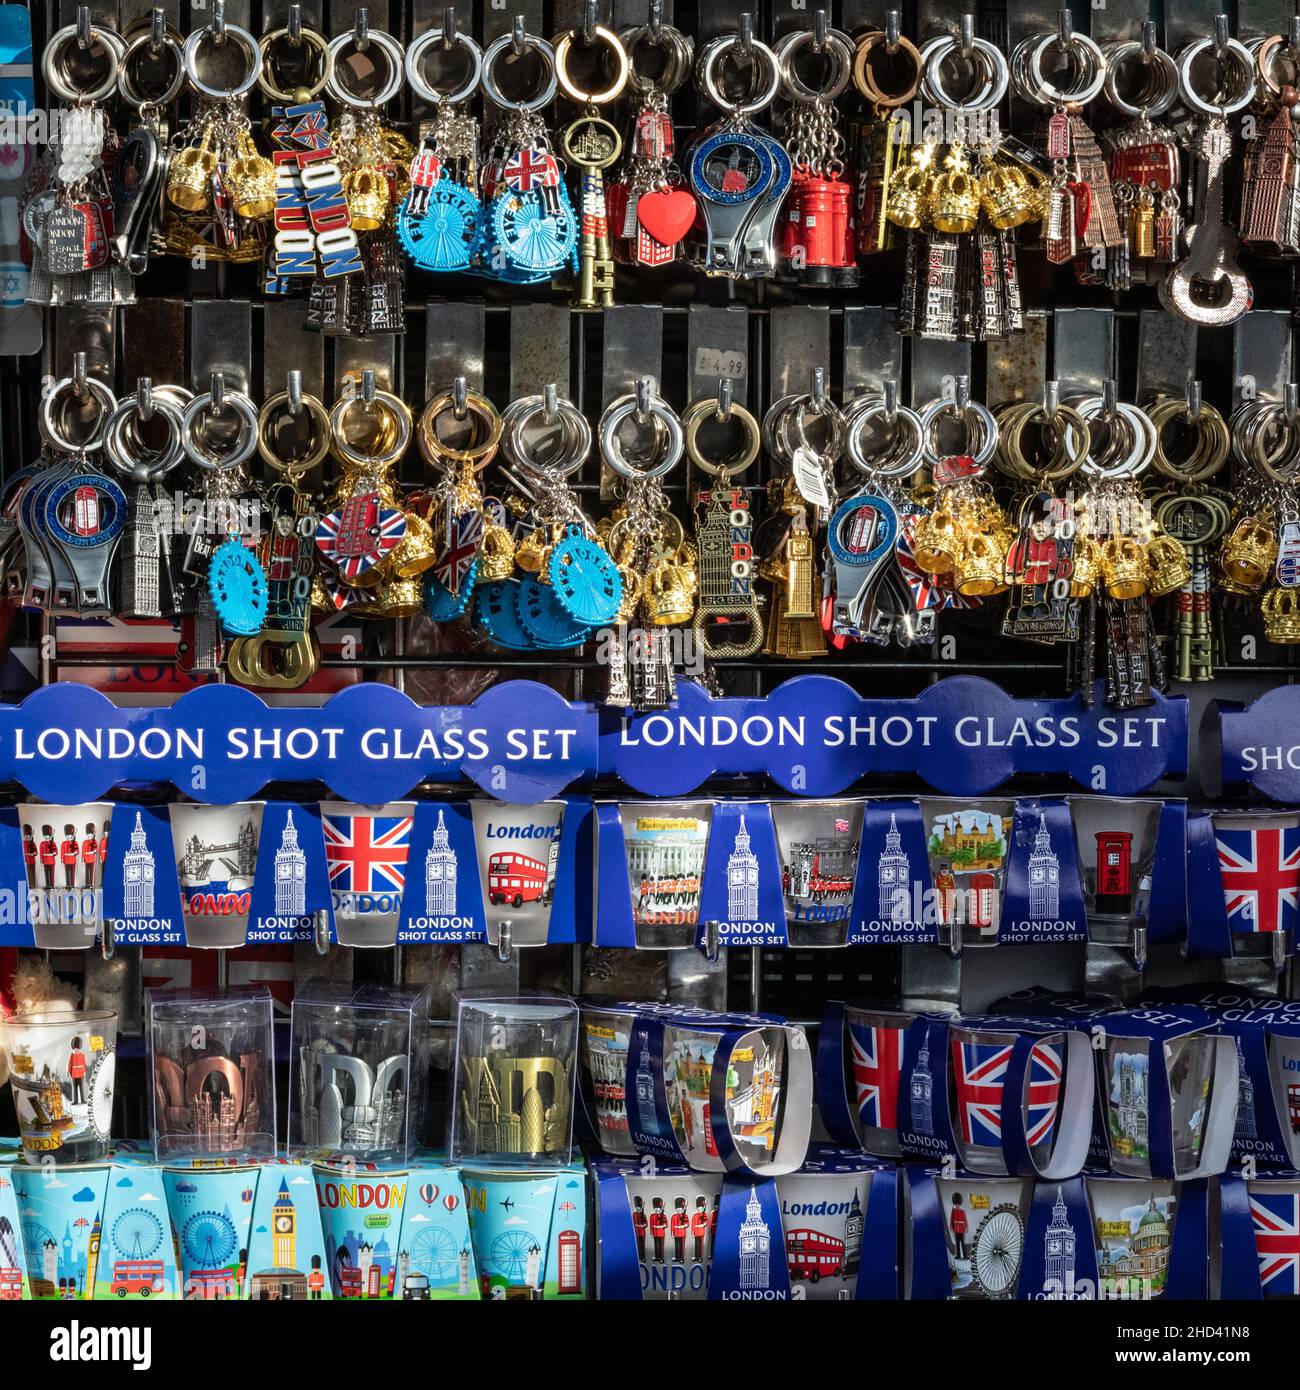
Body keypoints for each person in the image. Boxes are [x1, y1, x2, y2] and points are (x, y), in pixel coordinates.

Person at [66, 1037, 87, 1105]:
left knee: (81, 1087)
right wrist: (68, 1071)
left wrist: (85, 1071)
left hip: (81, 1073)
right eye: (75, 1049)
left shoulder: (82, 1055)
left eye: (77, 1049)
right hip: (74, 1074)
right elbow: (69, 1064)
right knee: (74, 1088)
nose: (76, 1050)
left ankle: (83, 1099)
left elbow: (84, 1063)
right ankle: (75, 1100)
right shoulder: (71, 1055)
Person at [648, 1197, 668, 1265]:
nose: (657, 1209)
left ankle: (661, 1258)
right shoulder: (652, 1216)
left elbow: (666, 1224)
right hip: (655, 1233)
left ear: (660, 1208)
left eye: (658, 1208)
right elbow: (651, 1225)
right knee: (656, 1246)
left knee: (661, 1246)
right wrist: (651, 1233)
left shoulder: (663, 1216)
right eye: (655, 1208)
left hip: (661, 1233)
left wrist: (662, 1226)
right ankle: (657, 1257)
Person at [670, 1196, 689, 1263]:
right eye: (677, 1208)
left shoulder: (685, 1216)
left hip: (682, 1233)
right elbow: (672, 1225)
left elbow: (687, 1224)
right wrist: (672, 1233)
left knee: (681, 1246)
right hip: (676, 1233)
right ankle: (677, 1258)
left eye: (680, 1208)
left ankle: (682, 1258)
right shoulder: (673, 1216)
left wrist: (683, 1226)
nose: (679, 1209)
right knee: (676, 1246)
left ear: (683, 1208)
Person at [691, 1195, 709, 1263]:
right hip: (696, 1232)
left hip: (701, 1232)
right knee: (696, 1245)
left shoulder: (704, 1215)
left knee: (700, 1245)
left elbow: (706, 1222)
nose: (699, 1209)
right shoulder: (695, 1216)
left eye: (701, 1207)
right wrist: (692, 1232)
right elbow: (693, 1225)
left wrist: (703, 1224)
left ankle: (700, 1257)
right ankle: (696, 1257)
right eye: (698, 1207)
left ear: (703, 1207)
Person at [950, 1192, 968, 1260]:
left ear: (959, 1204)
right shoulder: (953, 1211)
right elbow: (951, 1219)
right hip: (956, 1229)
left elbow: (965, 1220)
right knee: (957, 1243)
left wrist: (966, 1227)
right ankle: (958, 1255)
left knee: (963, 1243)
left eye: (957, 1204)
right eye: (955, 1204)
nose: (956, 1205)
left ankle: (965, 1255)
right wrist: (951, 1227)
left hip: (961, 1229)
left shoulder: (962, 1212)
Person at [631, 1195, 648, 1261]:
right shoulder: (634, 1214)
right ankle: (638, 1257)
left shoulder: (643, 1215)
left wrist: (643, 1225)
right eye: (637, 1208)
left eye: (639, 1208)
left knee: (642, 1246)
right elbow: (632, 1222)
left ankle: (643, 1257)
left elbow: (646, 1223)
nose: (638, 1209)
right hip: (636, 1232)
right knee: (637, 1245)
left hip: (642, 1233)